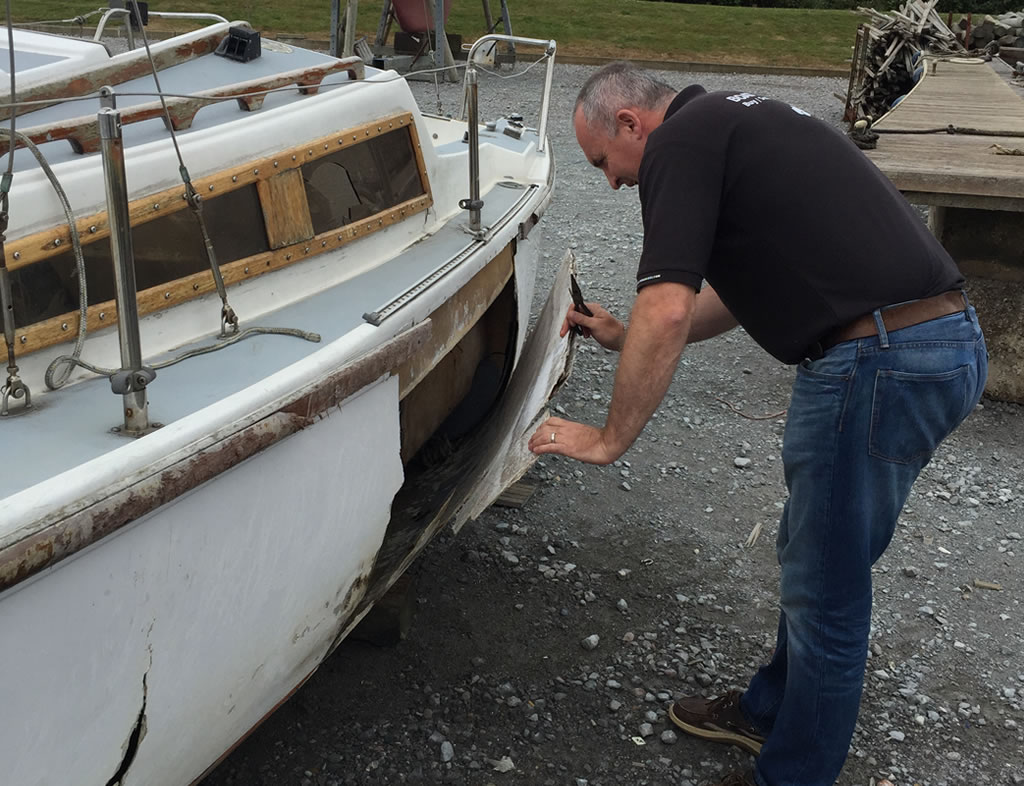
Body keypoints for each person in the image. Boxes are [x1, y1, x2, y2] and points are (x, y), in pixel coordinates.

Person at [528, 62, 987, 786]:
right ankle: (771, 712)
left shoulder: (678, 145)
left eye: (603, 165)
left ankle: (792, 774)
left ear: (629, 124)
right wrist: (623, 337)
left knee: (827, 591)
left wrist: (608, 436)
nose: (613, 183)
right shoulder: (745, 120)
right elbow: (735, 296)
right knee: (820, 561)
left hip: (877, 361)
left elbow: (670, 306)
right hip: (936, 345)